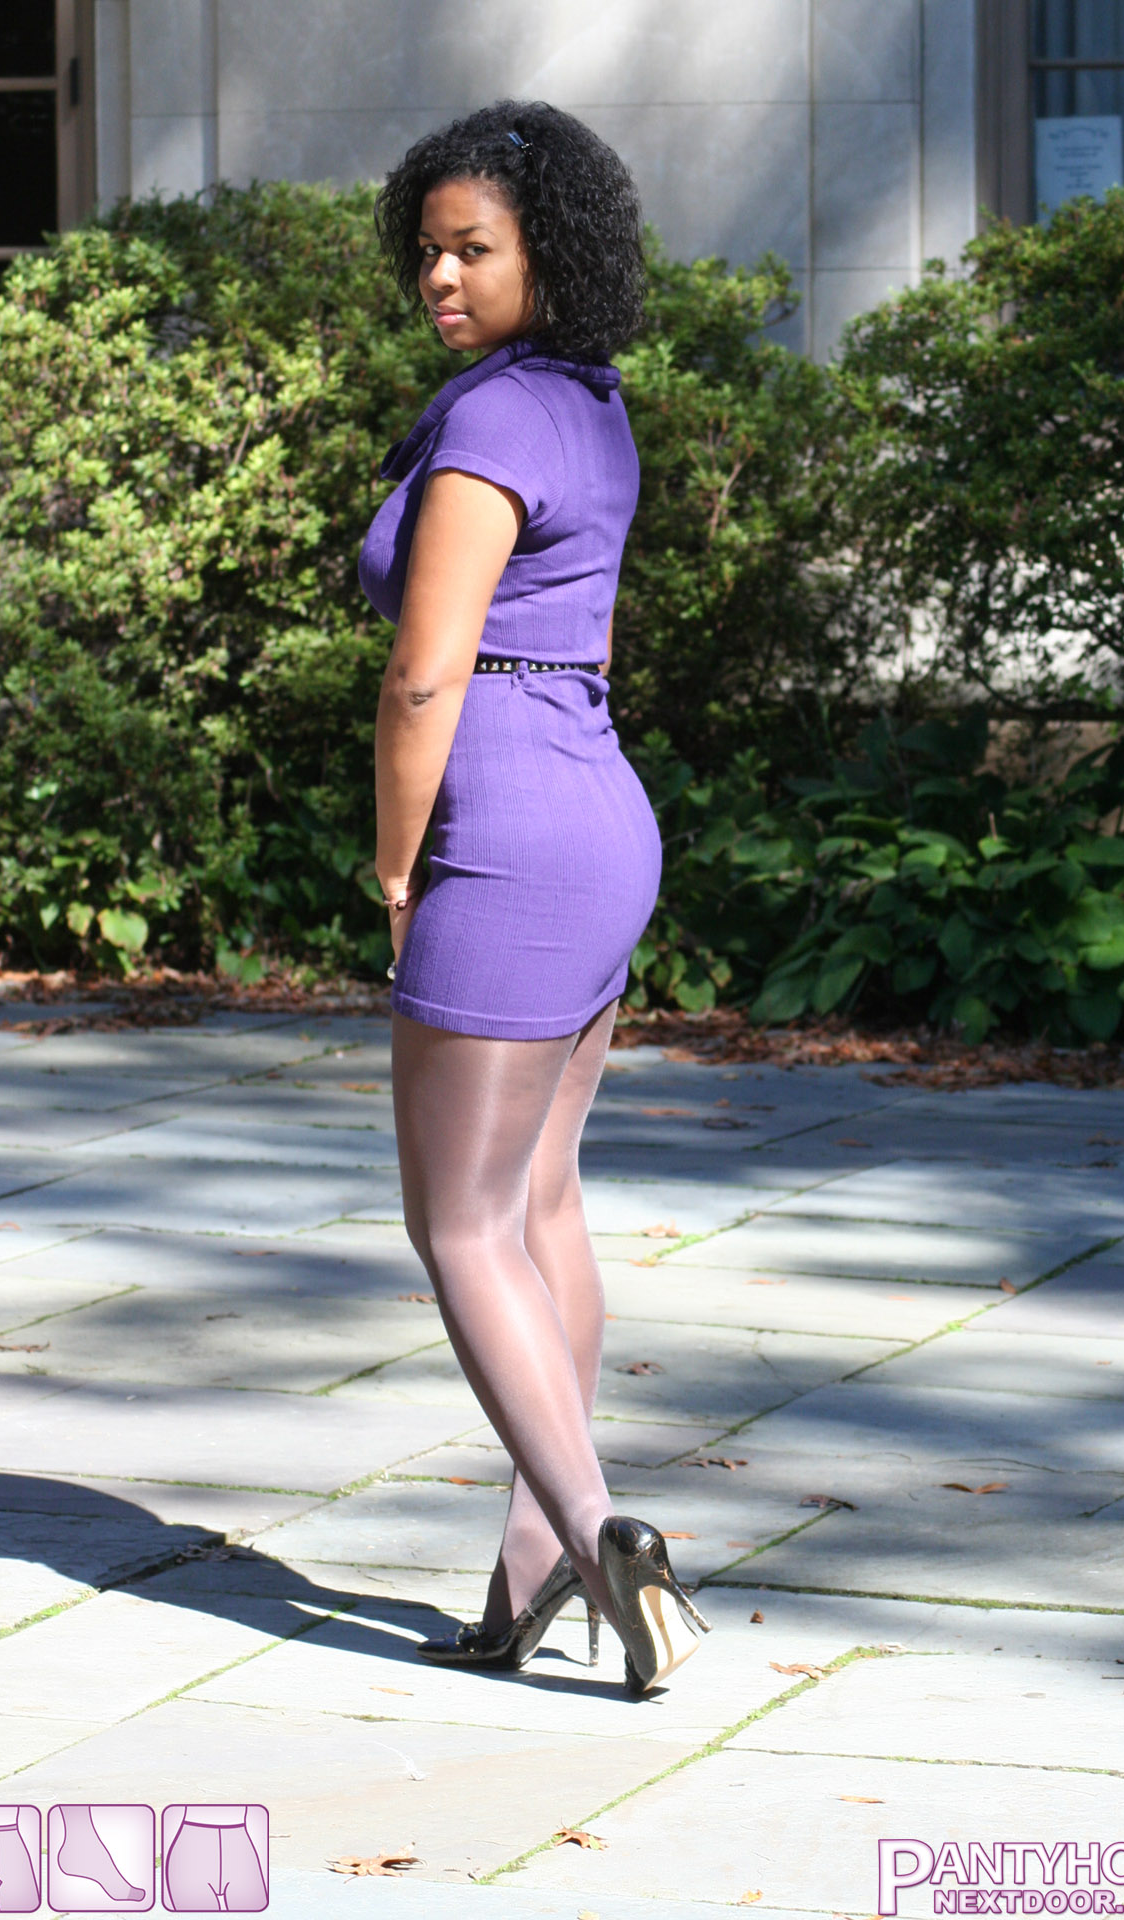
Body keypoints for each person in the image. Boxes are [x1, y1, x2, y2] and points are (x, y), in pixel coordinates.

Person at [359, 100, 710, 1697]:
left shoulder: (494, 422)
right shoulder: (591, 403)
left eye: (472, 249)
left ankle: (598, 1533)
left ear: (546, 255)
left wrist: (396, 861)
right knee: (541, 1200)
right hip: (599, 813)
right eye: (428, 249)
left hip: (507, 833)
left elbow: (426, 675)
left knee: (458, 1222)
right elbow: (590, 634)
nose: (440, 276)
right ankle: (533, 1566)